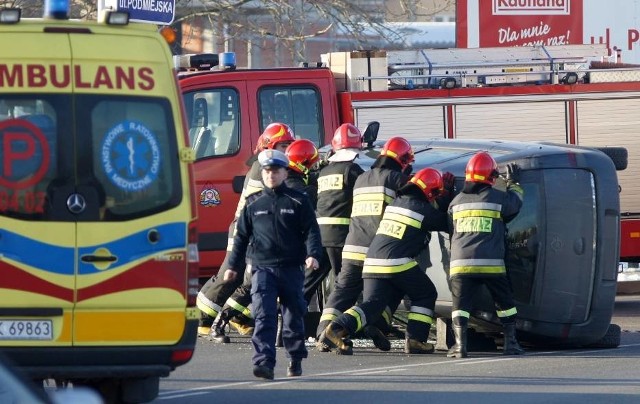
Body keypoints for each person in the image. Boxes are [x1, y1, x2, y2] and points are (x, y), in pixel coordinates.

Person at [318, 168, 454, 354]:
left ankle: (336, 328)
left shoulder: (396, 203)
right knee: (426, 293)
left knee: (373, 304)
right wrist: (446, 195)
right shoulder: (422, 209)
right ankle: (415, 339)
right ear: (429, 192)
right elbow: (447, 222)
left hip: (372, 260)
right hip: (397, 261)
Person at [224, 148, 322, 380]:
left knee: (292, 316)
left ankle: (295, 357)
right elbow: (241, 238)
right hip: (262, 269)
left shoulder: (298, 200)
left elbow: (312, 231)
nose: (271, 175)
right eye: (267, 171)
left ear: (285, 173)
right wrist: (232, 266)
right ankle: (264, 363)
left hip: (291, 268)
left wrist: (313, 254)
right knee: (264, 316)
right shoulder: (253, 202)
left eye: (276, 171)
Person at [197, 123, 296, 340]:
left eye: (290, 145)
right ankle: (203, 318)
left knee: (249, 279)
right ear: (270, 146)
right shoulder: (264, 167)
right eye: (283, 145)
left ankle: (238, 318)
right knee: (230, 275)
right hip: (243, 229)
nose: (287, 150)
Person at [316, 136, 414, 353]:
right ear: (403, 160)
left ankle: (323, 331)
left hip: (351, 246)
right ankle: (375, 323)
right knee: (382, 295)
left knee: (342, 291)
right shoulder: (397, 179)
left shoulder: (362, 178)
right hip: (376, 251)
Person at [446, 152, 525, 358]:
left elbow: (449, 228)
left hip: (460, 265)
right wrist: (513, 182)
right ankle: (511, 344)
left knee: (460, 307)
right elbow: (515, 204)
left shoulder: (456, 202)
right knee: (505, 304)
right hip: (492, 265)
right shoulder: (497, 198)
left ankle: (460, 347)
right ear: (491, 176)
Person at [307, 124, 365, 306]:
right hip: (341, 238)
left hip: (320, 237)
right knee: (345, 284)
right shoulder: (352, 170)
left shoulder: (324, 171)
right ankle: (339, 325)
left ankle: (287, 320)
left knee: (307, 283)